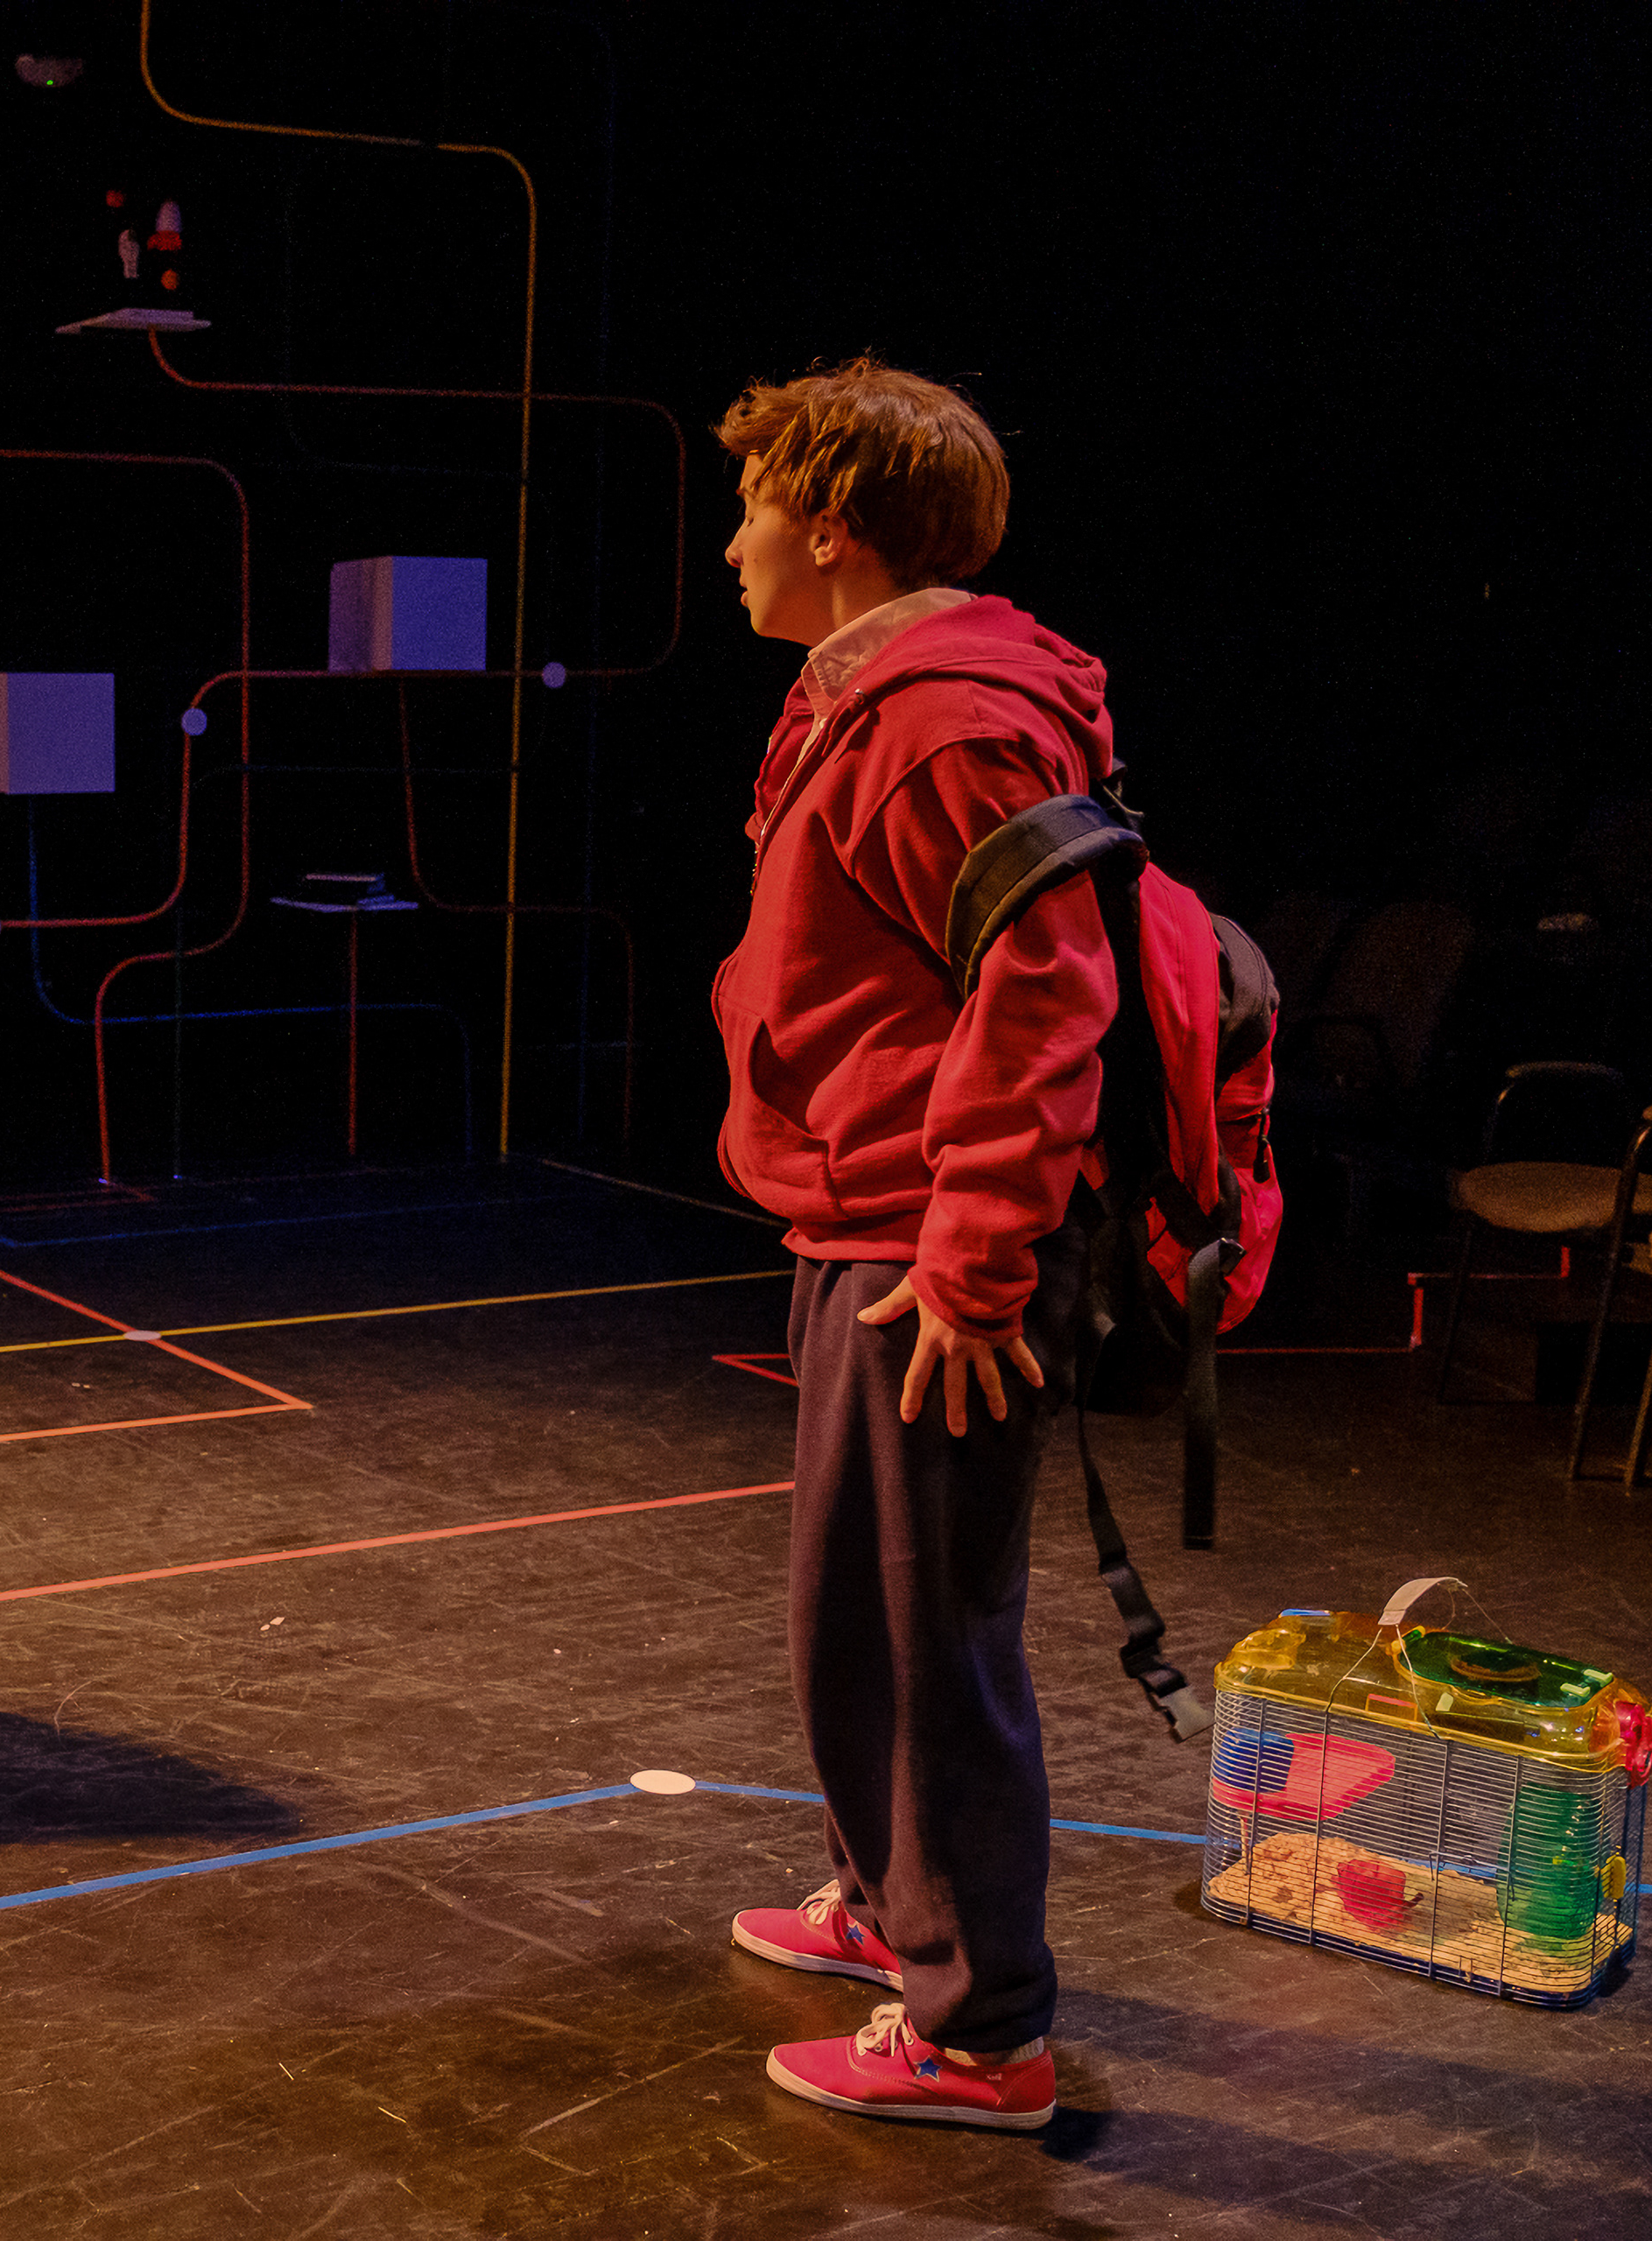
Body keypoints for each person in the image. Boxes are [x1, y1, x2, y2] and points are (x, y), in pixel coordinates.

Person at [706, 358, 1120, 2131]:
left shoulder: (948, 718)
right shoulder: (869, 696)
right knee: (858, 1626)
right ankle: (895, 1909)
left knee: (931, 1640)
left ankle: (982, 2033)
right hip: (864, 1210)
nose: (730, 545)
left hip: (930, 1245)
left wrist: (972, 1255)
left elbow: (1048, 990)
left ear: (830, 527)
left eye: (749, 509)